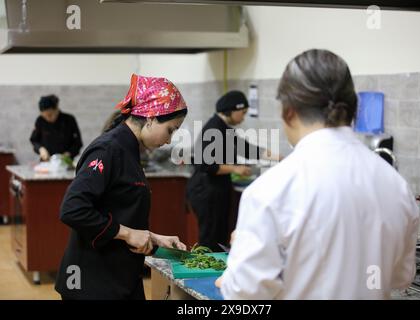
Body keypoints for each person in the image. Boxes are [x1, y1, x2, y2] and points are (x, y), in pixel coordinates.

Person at [216, 49, 419, 299]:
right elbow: (401, 277)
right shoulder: (395, 185)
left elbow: (243, 293)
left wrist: (241, 250)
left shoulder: (269, 191)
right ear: (353, 109)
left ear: (289, 112)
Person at [55, 74, 188, 300]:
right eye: (170, 130)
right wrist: (128, 234)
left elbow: (117, 209)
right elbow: (73, 209)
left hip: (119, 276)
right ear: (151, 118)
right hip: (92, 282)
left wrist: (153, 238)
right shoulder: (108, 150)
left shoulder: (128, 150)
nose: (168, 140)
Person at [186, 90, 278, 252]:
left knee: (219, 238)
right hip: (206, 191)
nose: (243, 117)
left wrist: (275, 156)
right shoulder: (213, 128)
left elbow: (245, 148)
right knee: (210, 241)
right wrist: (237, 168)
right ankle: (208, 275)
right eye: (242, 113)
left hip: (215, 190)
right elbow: (207, 165)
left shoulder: (222, 127)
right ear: (232, 110)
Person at [30, 94, 83, 161]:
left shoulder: (69, 120)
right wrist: (41, 149)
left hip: (66, 161)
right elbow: (34, 140)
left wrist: (69, 153)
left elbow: (78, 142)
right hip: (46, 161)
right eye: (44, 116)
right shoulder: (40, 121)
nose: (47, 118)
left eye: (50, 115)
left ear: (57, 109)